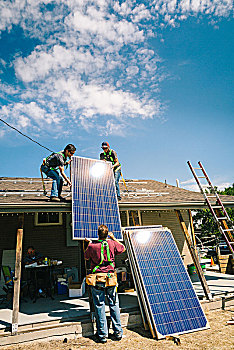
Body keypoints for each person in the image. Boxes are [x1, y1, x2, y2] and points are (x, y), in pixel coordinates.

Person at [84, 225, 125, 343]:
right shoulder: (112, 244)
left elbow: (86, 257)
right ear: (107, 234)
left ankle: (102, 336)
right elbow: (122, 248)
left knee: (99, 306)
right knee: (114, 304)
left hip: (98, 279)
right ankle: (118, 333)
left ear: (97, 234)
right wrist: (114, 238)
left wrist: (88, 244)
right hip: (110, 278)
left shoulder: (92, 246)